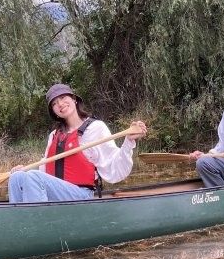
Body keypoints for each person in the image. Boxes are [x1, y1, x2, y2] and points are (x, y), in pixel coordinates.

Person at [8, 84, 147, 203]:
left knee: (33, 176)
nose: (60, 104)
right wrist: (24, 170)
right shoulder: (54, 136)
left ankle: (37, 225)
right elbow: (45, 171)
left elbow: (114, 164)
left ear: (74, 99)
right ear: (54, 112)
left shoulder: (95, 128)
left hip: (81, 195)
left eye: (62, 98)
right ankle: (19, 224)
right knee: (17, 177)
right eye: (54, 103)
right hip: (58, 193)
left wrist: (128, 141)